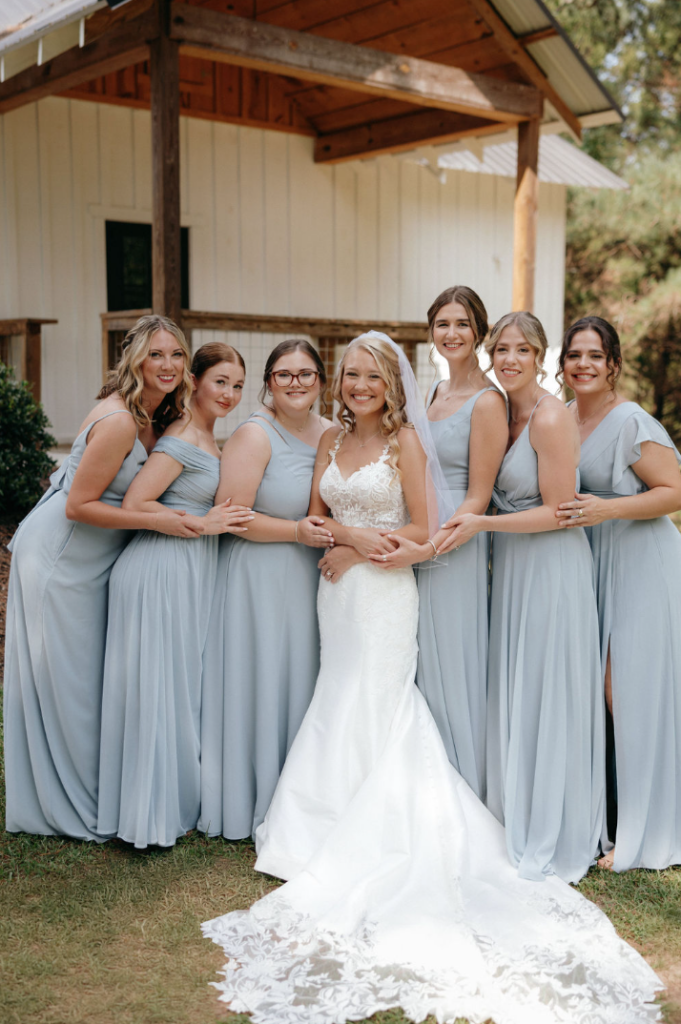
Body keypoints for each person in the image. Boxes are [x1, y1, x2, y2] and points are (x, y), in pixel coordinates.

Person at [202, 332, 661, 1024]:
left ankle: (376, 831)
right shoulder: (328, 442)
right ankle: (316, 824)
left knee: (377, 705)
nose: (358, 386)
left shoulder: (405, 445)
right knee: (337, 699)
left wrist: (359, 550)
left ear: (390, 383)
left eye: (370, 376)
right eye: (350, 375)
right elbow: (316, 521)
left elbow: (421, 535)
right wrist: (340, 542)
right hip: (337, 599)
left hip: (384, 594)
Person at [4, 314, 199, 840]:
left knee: (87, 679)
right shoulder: (118, 422)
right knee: (66, 683)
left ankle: (96, 790)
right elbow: (78, 505)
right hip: (61, 558)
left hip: (96, 561)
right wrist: (158, 520)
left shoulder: (157, 416)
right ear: (134, 358)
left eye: (177, 355)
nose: (167, 365)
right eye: (156, 354)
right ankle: (70, 802)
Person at [443, 311, 604, 883]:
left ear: (540, 356)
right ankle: (515, 810)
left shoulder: (550, 415)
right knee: (519, 688)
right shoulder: (500, 411)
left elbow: (561, 514)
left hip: (552, 570)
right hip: (512, 569)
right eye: (501, 349)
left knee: (547, 688)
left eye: (522, 350)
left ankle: (555, 824)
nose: (509, 358)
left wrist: (482, 526)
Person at [345, 286, 507, 800]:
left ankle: (467, 792)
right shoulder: (433, 394)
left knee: (453, 659)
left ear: (478, 331)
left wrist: (429, 548)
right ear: (431, 331)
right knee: (420, 664)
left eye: (462, 323)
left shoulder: (488, 402)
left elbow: (478, 498)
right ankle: (423, 789)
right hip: (416, 543)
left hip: (454, 546)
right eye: (442, 324)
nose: (452, 333)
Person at [96, 342, 252, 849]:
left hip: (187, 568)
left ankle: (170, 802)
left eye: (237, 386)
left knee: (176, 689)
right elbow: (139, 501)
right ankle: (148, 817)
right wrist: (201, 524)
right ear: (196, 381)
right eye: (220, 382)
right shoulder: (181, 436)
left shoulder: (206, 433)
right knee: (158, 691)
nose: (228, 394)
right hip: (160, 569)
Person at [556, 315, 681, 872]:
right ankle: (605, 817)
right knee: (597, 689)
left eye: (593, 355)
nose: (583, 364)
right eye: (574, 355)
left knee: (627, 690)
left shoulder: (631, 421)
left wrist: (607, 508)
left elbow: (674, 490)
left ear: (613, 364)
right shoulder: (558, 420)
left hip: (641, 562)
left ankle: (645, 831)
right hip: (590, 565)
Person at [197, 339, 334, 841]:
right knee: (263, 678)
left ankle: (299, 799)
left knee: (300, 679)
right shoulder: (255, 435)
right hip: (259, 575)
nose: (295, 383)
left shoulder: (334, 432)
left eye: (305, 374)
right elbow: (234, 518)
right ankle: (249, 797)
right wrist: (296, 531)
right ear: (269, 384)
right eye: (283, 375)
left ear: (321, 379)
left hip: (310, 577)